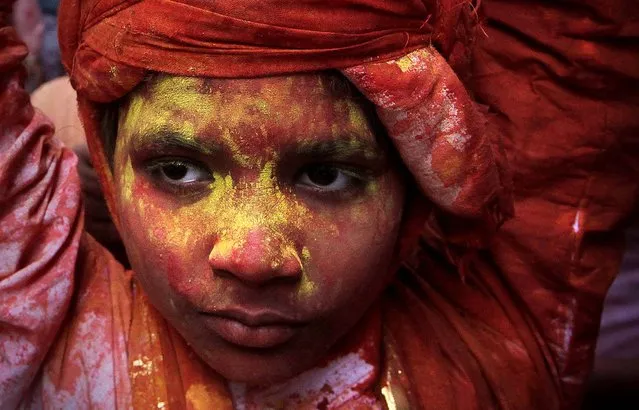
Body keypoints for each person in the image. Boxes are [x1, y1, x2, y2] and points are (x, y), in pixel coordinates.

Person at [0, 0, 629, 408]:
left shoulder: (494, 342)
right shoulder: (39, 320)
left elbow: (574, 49)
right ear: (109, 168)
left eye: (326, 176)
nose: (252, 256)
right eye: (179, 170)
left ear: (415, 190)